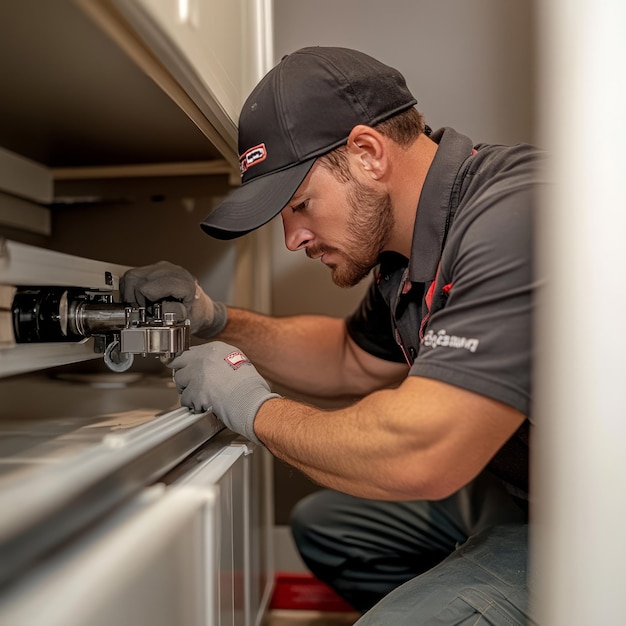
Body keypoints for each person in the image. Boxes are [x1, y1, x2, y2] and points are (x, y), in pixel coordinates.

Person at [121, 47, 542, 624]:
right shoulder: (407, 249)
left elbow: (420, 452)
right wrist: (215, 316)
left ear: (367, 153)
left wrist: (249, 404)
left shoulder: (516, 218)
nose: (293, 238)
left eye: (300, 205)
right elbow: (349, 358)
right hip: (518, 489)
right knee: (329, 527)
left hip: (594, 523)